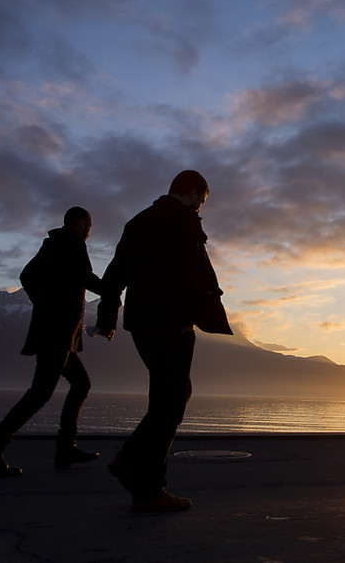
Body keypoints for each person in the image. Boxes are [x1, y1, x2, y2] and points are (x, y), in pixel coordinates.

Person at [94, 170, 233, 513]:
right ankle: (144, 479)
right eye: (202, 202)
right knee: (171, 402)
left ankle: (141, 478)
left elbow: (114, 276)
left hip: (141, 324)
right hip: (173, 324)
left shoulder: (138, 222)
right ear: (192, 193)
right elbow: (192, 276)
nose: (201, 209)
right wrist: (194, 318)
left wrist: (108, 319)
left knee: (170, 397)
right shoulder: (183, 221)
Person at [0, 207, 105, 476]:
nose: (90, 232)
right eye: (89, 226)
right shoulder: (73, 243)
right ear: (80, 223)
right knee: (40, 393)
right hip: (59, 333)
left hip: (51, 332)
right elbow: (87, 279)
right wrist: (114, 288)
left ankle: (65, 447)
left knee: (79, 383)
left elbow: (25, 276)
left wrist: (42, 304)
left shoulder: (51, 244)